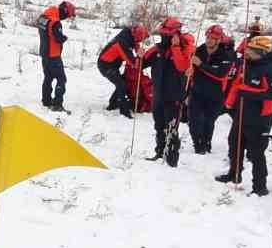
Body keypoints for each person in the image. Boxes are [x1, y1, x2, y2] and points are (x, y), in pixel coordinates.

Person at [216, 35, 272, 196]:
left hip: (260, 117)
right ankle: (234, 174)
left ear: (262, 52)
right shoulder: (246, 66)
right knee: (235, 143)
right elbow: (237, 86)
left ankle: (260, 186)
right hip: (242, 113)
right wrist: (229, 103)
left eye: (251, 50)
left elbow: (270, 94)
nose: (247, 52)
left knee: (256, 153)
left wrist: (247, 92)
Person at [143, 16, 193, 166]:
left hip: (174, 96)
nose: (164, 37)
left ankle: (171, 159)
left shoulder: (185, 49)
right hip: (158, 94)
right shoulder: (157, 49)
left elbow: (183, 66)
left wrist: (176, 47)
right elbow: (141, 63)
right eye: (162, 34)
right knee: (159, 125)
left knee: (171, 128)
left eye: (167, 35)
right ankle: (159, 152)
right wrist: (139, 56)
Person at [187, 24, 234, 155]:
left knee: (208, 121)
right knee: (194, 119)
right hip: (197, 91)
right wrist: (190, 70)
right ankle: (197, 143)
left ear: (218, 40)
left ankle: (206, 143)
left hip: (215, 94)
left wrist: (200, 65)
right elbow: (192, 65)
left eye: (213, 38)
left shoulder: (226, 55)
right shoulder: (199, 50)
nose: (209, 40)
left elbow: (220, 74)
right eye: (208, 37)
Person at [97, 23, 148, 118]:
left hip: (112, 64)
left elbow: (135, 43)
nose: (141, 41)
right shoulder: (122, 43)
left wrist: (138, 51)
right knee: (121, 84)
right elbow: (132, 63)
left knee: (122, 82)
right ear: (136, 35)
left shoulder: (129, 33)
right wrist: (139, 56)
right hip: (105, 65)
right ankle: (123, 110)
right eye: (141, 39)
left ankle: (112, 104)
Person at [36, 0, 75, 112]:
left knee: (48, 77)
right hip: (53, 55)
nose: (66, 18)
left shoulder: (44, 17)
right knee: (61, 79)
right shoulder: (55, 22)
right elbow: (58, 38)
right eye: (68, 15)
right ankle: (57, 104)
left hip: (44, 53)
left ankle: (46, 100)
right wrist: (64, 38)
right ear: (65, 11)